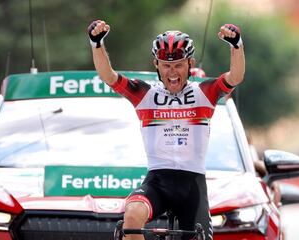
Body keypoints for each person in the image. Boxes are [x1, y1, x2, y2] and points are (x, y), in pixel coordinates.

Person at [87, 20, 245, 240]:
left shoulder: (204, 92)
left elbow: (235, 77)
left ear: (190, 63)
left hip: (192, 186)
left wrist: (236, 46)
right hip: (158, 182)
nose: (172, 72)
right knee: (131, 216)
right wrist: (97, 43)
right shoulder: (145, 94)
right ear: (156, 65)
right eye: (166, 65)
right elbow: (109, 77)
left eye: (178, 65)